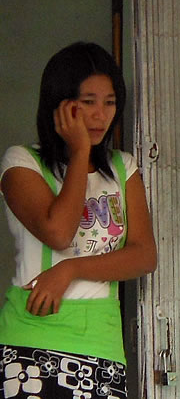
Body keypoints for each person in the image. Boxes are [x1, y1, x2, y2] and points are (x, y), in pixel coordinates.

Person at [0, 42, 157, 398]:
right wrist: (80, 152)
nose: (101, 115)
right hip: (32, 340)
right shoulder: (22, 163)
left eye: (110, 102)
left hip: (101, 340)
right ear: (60, 104)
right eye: (88, 102)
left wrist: (69, 271)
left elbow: (144, 255)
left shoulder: (123, 168)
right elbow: (58, 231)